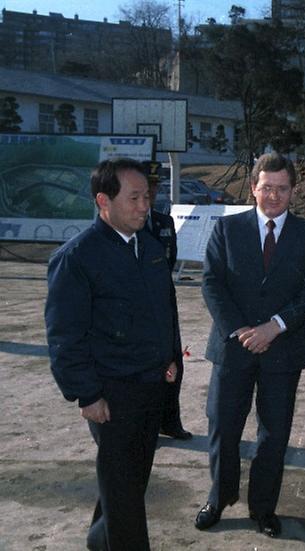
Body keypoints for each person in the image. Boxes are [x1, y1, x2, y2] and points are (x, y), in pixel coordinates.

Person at [45, 158, 181, 551]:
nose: (144, 206)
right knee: (125, 497)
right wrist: (85, 394)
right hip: (112, 395)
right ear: (104, 201)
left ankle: (98, 541)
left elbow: (164, 314)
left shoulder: (150, 248)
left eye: (147, 197)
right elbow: (64, 336)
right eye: (134, 198)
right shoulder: (77, 258)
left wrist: (171, 359)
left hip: (151, 389)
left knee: (129, 484)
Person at [194, 153, 305, 538]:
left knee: (274, 434)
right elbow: (211, 283)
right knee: (223, 427)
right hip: (232, 349)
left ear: (293, 191)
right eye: (266, 187)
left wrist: (274, 327)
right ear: (253, 187)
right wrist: (240, 329)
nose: (273, 195)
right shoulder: (227, 230)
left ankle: (263, 508)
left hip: (281, 351)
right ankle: (218, 498)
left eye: (282, 188)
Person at [145, 178, 191, 440]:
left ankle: (170, 423)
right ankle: (147, 428)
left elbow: (170, 257)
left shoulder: (164, 221)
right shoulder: (129, 224)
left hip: (164, 303)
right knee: (148, 370)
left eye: (153, 189)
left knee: (174, 365)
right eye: (144, 189)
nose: (150, 194)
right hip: (139, 307)